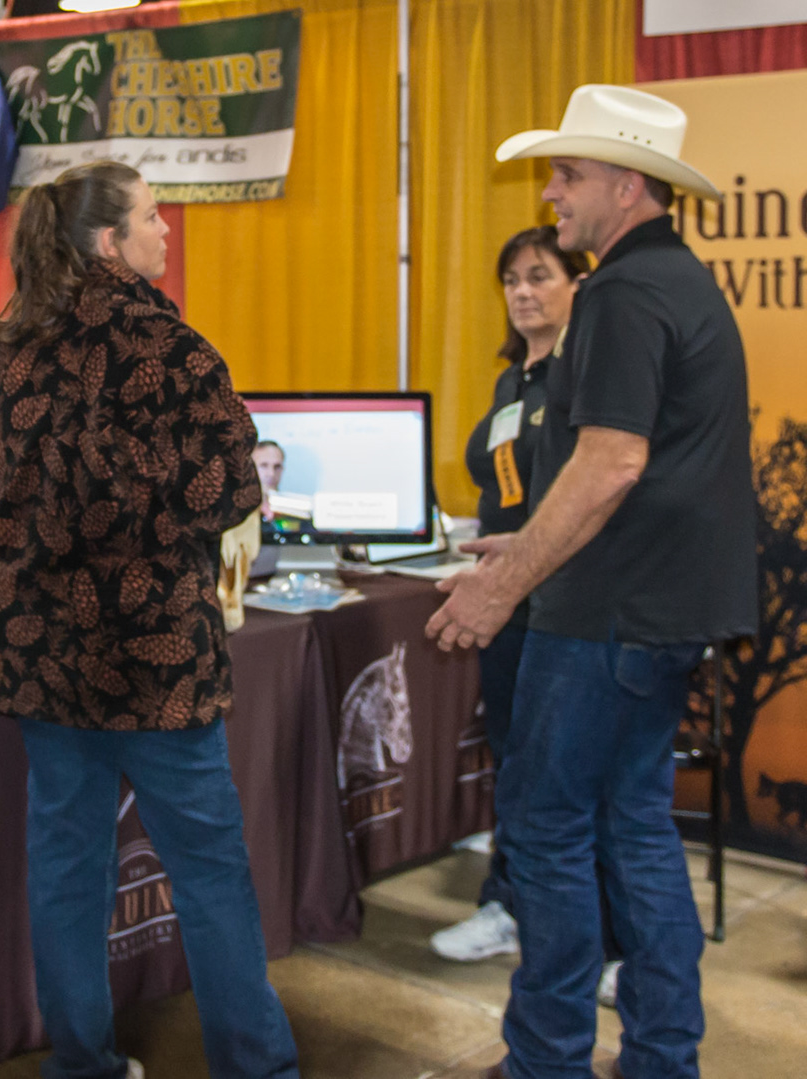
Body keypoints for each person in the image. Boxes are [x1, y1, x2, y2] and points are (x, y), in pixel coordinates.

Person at [427, 84, 757, 1079]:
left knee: (547, 829)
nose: (551, 192)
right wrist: (523, 548)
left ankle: (546, 1059)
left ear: (627, 184)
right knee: (635, 829)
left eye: (568, 174)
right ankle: (660, 1056)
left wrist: (502, 587)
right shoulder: (679, 281)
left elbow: (611, 463)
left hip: (605, 617)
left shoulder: (620, 292)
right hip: (654, 613)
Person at [0, 159, 299, 1079]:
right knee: (209, 870)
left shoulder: (9, 353)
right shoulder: (172, 348)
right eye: (153, 216)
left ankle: (81, 1061)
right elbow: (233, 487)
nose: (166, 230)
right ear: (110, 242)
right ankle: (257, 1069)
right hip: (156, 662)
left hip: (43, 654)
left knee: (68, 868)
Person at [430, 226, 590, 964]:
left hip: (561, 603)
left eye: (539, 276)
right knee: (513, 758)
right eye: (511, 280)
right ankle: (507, 903)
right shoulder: (511, 382)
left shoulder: (582, 378)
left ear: (577, 285)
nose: (523, 292)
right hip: (503, 605)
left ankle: (573, 927)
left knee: (553, 771)